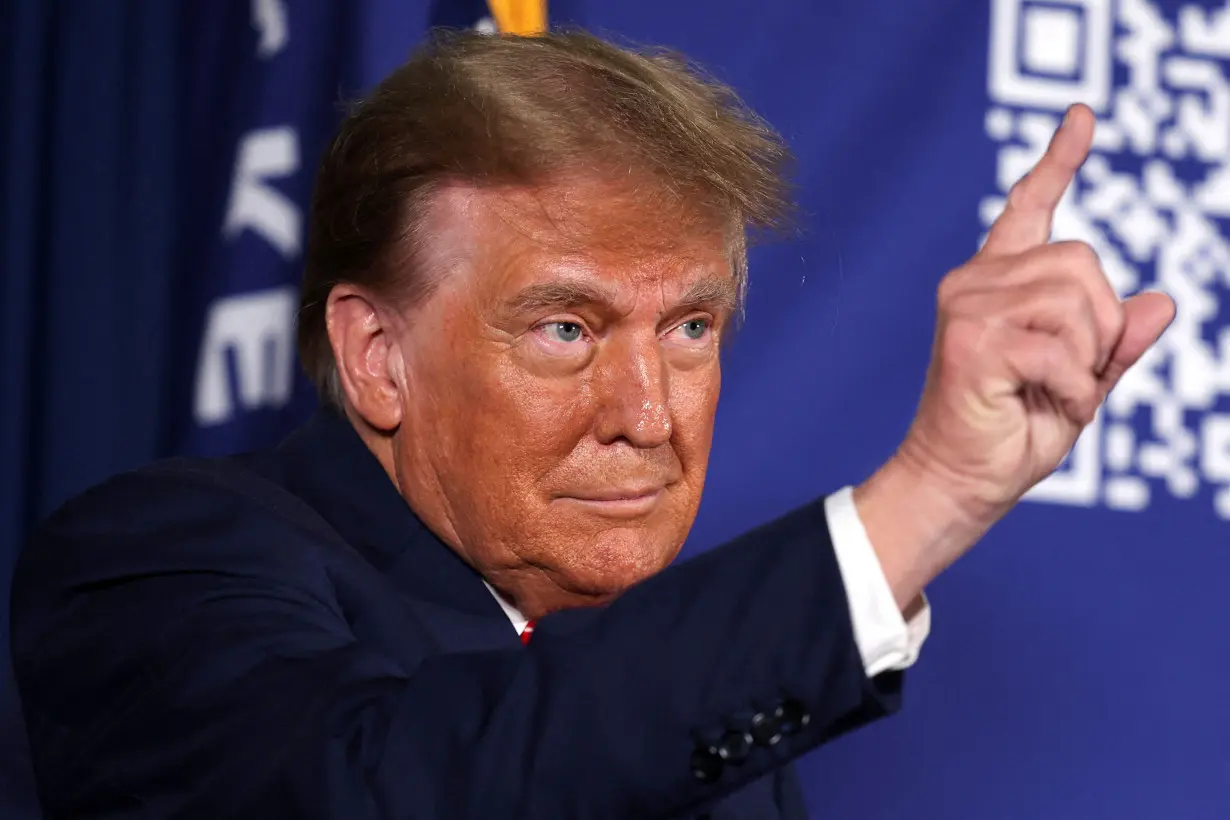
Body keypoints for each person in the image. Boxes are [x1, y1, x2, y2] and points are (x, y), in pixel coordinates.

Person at [10, 31, 1174, 820]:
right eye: (567, 329)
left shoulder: (706, 700)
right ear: (378, 356)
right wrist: (925, 497)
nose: (649, 415)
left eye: (692, 328)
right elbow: (395, 784)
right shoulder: (159, 562)